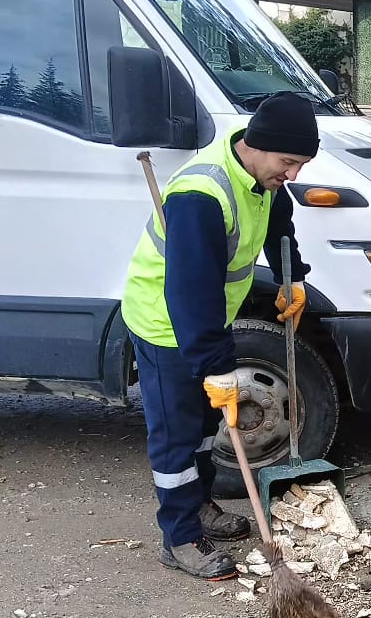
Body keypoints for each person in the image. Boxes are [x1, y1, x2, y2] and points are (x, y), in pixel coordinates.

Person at [120, 92, 318, 580]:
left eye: (300, 165)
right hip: (166, 323)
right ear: (257, 145)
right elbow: (190, 291)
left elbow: (279, 220)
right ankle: (181, 536)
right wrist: (215, 365)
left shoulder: (259, 179)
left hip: (208, 318)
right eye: (288, 162)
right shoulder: (200, 195)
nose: (292, 175)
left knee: (209, 429)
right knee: (176, 437)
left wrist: (292, 274)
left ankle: (201, 505)